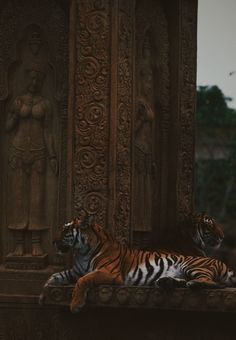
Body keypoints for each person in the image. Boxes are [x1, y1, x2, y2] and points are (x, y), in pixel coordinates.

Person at [5, 63, 58, 256]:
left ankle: (36, 243)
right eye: (32, 78)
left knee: (37, 199)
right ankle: (18, 244)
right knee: (18, 198)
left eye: (38, 79)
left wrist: (52, 155)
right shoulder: (18, 101)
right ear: (27, 79)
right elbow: (8, 127)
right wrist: (14, 112)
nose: (34, 82)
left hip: (39, 153)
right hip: (17, 152)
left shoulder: (45, 104)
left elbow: (49, 132)